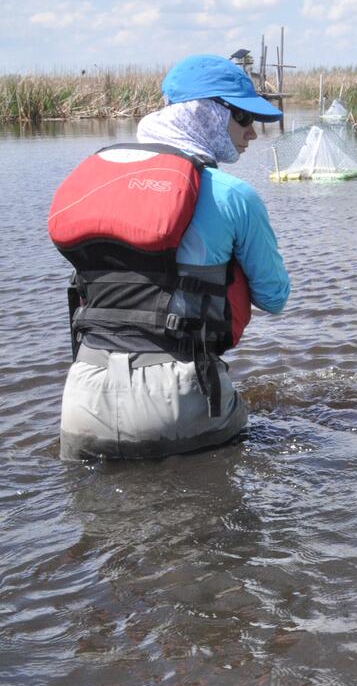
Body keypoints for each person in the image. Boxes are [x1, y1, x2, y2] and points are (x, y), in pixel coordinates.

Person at [50, 54, 290, 459]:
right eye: (245, 119)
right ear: (209, 113)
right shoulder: (233, 195)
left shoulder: (96, 182)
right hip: (178, 398)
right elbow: (274, 297)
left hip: (82, 395)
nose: (253, 134)